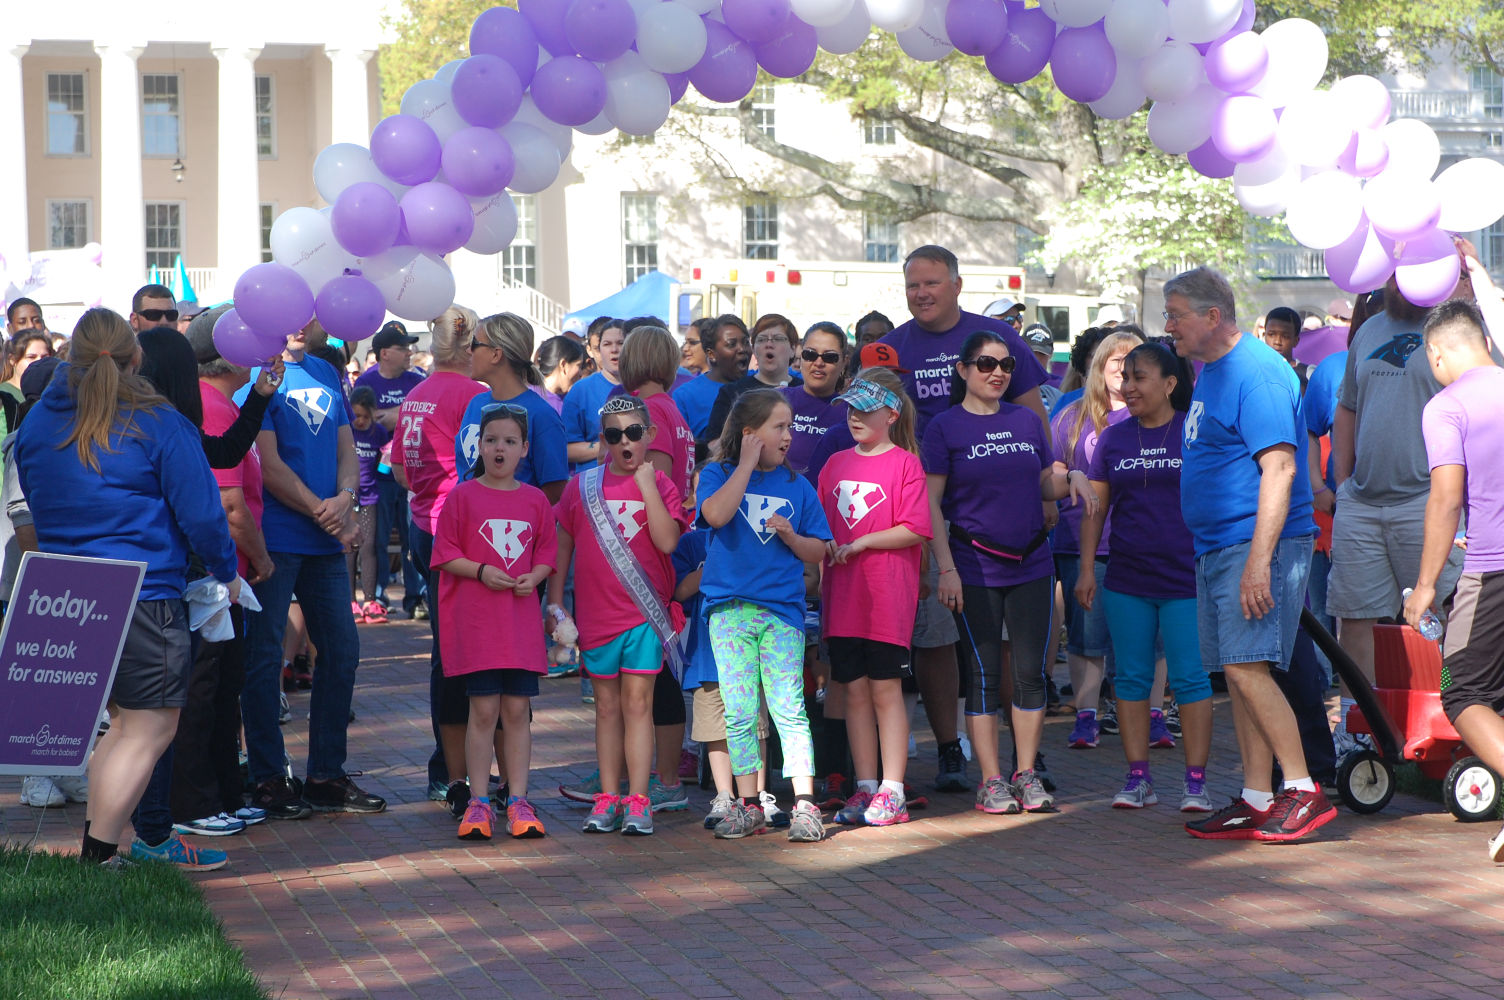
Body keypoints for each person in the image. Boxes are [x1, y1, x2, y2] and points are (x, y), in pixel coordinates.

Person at [15, 308, 239, 869]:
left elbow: (34, 499)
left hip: (68, 588)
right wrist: (225, 571)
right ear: (135, 357)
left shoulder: (41, 422)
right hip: (143, 589)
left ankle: (100, 847)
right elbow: (204, 515)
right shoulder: (157, 421)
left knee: (123, 724)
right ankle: (98, 856)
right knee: (152, 723)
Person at [1165, 266, 1332, 843]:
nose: (1168, 328)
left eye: (1176, 315)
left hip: (1253, 545)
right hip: (1219, 545)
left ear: (1213, 316)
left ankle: (1304, 789)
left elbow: (1281, 468)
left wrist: (1260, 561)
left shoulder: (1258, 374)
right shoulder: (1211, 372)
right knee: (1240, 673)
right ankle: (1259, 796)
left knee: (1246, 666)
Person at [877, 245, 1050, 793]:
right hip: (921, 511)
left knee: (1011, 648)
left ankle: (1022, 759)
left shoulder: (998, 340)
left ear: (956, 284)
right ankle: (952, 748)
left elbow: (1034, 420)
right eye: (912, 286)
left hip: (1001, 513)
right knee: (935, 639)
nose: (921, 294)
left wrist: (1047, 499)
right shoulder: (893, 347)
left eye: (931, 283)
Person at [236, 318, 385, 821]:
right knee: (263, 658)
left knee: (341, 651)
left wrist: (344, 499)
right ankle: (267, 777)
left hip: (324, 540)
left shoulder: (324, 370)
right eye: (287, 313)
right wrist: (322, 508)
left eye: (305, 314)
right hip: (276, 539)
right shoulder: (255, 377)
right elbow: (267, 464)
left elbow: (346, 447)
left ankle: (325, 774)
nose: (296, 324)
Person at [1328, 266, 1476, 756]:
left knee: (1439, 616)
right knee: (1355, 620)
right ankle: (1358, 733)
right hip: (1363, 505)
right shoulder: (1369, 329)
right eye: (1391, 274)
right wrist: (1344, 480)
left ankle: (1452, 729)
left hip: (1426, 501)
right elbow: (1346, 407)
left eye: (1408, 274)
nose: (1396, 284)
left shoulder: (1456, 333)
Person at [925, 331, 1070, 815]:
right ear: (963, 370)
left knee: (1030, 676)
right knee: (984, 674)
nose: (997, 373)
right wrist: (946, 569)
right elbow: (931, 506)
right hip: (974, 566)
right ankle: (991, 779)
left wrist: (1079, 479)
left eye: (1005, 365)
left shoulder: (1027, 420)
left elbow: (1046, 485)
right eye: (986, 364)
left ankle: (1025, 773)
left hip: (1032, 562)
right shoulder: (945, 427)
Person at [1075, 341, 1214, 811]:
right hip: (1126, 578)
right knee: (1130, 679)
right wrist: (1086, 567)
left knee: (1191, 680)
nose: (1128, 387)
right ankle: (1138, 778)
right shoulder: (1113, 437)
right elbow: (1094, 509)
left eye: (1140, 378)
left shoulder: (1193, 432)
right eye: (1125, 377)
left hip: (1186, 580)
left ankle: (1196, 783)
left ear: (1170, 384)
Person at [549, 396, 689, 836]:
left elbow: (668, 542)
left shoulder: (663, 485)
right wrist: (555, 606)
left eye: (633, 433)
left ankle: (640, 798)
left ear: (649, 435)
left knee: (638, 705)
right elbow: (562, 546)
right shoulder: (581, 486)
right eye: (614, 435)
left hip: (643, 616)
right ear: (602, 440)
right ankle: (608, 796)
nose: (624, 442)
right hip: (595, 617)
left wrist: (648, 486)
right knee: (606, 709)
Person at [698, 388, 833, 842]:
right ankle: (748, 804)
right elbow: (715, 516)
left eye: (790, 426)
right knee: (739, 712)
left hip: (782, 614)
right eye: (779, 427)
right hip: (730, 612)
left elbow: (820, 548)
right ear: (750, 434)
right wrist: (745, 465)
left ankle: (805, 805)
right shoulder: (718, 473)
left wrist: (793, 539)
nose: (789, 436)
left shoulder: (798, 486)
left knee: (788, 709)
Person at [1404, 277, 1504, 863]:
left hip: (1492, 569)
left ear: (1438, 354)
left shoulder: (1447, 405)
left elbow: (1445, 496)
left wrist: (1423, 586)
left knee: (1463, 693)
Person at [433, 404, 557, 841]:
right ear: (478, 446)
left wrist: (536, 577)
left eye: (508, 441)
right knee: (483, 710)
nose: (499, 448)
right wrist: (483, 572)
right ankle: (479, 801)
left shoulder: (535, 499)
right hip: (479, 625)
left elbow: (547, 552)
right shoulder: (463, 497)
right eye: (491, 441)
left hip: (518, 625)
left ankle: (519, 798)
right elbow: (445, 553)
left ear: (524, 448)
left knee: (517, 710)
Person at [819, 369, 931, 826]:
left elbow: (915, 527)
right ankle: (865, 787)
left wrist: (863, 542)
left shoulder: (905, 463)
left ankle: (893, 789)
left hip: (886, 599)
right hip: (843, 599)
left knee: (886, 690)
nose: (855, 417)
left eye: (866, 410)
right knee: (855, 693)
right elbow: (817, 523)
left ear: (891, 414)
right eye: (851, 408)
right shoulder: (834, 464)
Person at [399, 319, 483, 800]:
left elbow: (405, 472)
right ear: (471, 347)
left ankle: (447, 765)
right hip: (457, 528)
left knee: (444, 647)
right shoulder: (472, 395)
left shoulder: (418, 393)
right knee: (464, 649)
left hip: (422, 521)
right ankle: (456, 766)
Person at [1052, 329, 1142, 749]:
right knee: (1086, 634)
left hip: (1139, 542)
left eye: (1132, 365)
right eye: (1115, 363)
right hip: (1081, 540)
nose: (1123, 372)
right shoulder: (1073, 415)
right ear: (1098, 368)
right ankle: (1087, 713)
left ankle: (1146, 712)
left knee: (1143, 638)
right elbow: (1052, 470)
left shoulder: (1151, 414)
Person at [353, 321, 426, 615]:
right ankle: (378, 598)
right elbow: (362, 424)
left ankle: (416, 599)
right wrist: (401, 414)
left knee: (413, 537)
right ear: (384, 353)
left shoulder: (418, 381)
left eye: (409, 347)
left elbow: (419, 416)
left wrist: (395, 413)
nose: (410, 352)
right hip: (378, 475)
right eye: (402, 347)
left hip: (413, 471)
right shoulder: (365, 382)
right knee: (378, 538)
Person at [456, 313, 568, 503]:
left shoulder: (541, 415)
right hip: (465, 524)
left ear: (496, 354)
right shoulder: (475, 404)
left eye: (474, 344)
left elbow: (555, 491)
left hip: (508, 529)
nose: (468, 351)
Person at [703, 314, 802, 443]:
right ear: (754, 349)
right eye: (761, 339)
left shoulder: (805, 390)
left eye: (777, 339)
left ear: (793, 349)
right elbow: (712, 444)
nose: (769, 344)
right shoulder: (732, 392)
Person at [782, 321, 849, 477]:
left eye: (829, 357)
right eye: (810, 354)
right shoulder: (776, 399)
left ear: (844, 362)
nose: (818, 363)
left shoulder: (853, 413)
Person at [348, 385, 390, 623]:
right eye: (356, 416)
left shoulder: (379, 433)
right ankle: (350, 600)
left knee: (369, 546)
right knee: (349, 549)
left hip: (369, 496)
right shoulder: (346, 432)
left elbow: (382, 468)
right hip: (348, 496)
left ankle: (370, 600)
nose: (360, 421)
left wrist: (386, 460)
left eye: (365, 416)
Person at [562, 318, 626, 471]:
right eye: (607, 344)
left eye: (620, 343)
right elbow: (566, 449)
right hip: (592, 484)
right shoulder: (581, 390)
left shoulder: (642, 387)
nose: (614, 349)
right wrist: (611, 444)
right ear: (597, 350)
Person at [673, 315, 751, 440]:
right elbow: (681, 446)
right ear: (711, 354)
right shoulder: (685, 395)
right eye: (731, 344)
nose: (742, 349)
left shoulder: (759, 383)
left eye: (746, 342)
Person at [534, 335, 587, 414]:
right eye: (578, 365)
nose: (581, 373)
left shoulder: (575, 403)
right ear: (563, 365)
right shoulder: (529, 399)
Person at [1, 331, 55, 405]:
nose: (39, 361)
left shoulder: (54, 392)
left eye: (44, 357)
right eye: (31, 357)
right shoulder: (3, 394)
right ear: (12, 359)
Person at [1261, 306, 1308, 390]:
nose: (1277, 342)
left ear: (1296, 341)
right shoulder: (1254, 370)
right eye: (1271, 334)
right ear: (1264, 336)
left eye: (1285, 336)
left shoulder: (1307, 374)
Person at [1022, 325, 1062, 412]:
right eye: (1031, 353)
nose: (1036, 359)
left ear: (1051, 354)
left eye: (1042, 354)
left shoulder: (1057, 397)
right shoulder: (1007, 394)